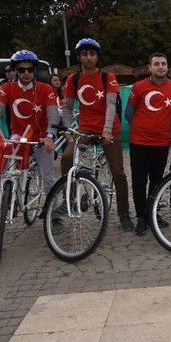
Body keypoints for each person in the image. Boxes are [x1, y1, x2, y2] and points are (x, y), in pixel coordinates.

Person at [61, 38, 133, 232]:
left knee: (118, 172)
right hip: (84, 128)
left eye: (92, 54)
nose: (89, 57)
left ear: (97, 57)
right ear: (79, 57)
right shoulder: (72, 79)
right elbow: (67, 108)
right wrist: (70, 130)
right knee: (67, 157)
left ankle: (124, 213)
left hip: (109, 129)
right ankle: (69, 199)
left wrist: (107, 130)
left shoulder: (107, 77)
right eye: (85, 54)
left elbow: (111, 105)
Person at [0, 50, 57, 198]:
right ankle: (8, 201)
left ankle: (53, 213)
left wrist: (50, 135)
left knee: (48, 177)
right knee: (8, 171)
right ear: (15, 71)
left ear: (34, 71)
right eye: (21, 70)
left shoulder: (46, 89)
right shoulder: (7, 88)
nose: (26, 73)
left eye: (30, 70)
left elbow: (53, 115)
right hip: (18, 136)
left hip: (42, 137)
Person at [127, 53, 171, 235]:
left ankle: (151, 214)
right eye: (156, 64)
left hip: (161, 143)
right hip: (139, 142)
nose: (160, 67)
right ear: (149, 68)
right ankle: (141, 218)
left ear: (167, 67)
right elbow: (128, 114)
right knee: (138, 181)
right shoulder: (138, 87)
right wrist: (142, 129)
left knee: (157, 181)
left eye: (163, 64)